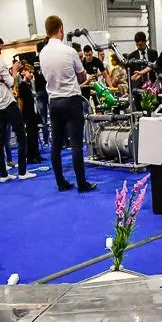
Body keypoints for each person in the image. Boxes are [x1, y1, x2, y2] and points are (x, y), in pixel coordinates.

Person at [40, 14, 96, 193]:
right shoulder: (69, 51)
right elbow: (81, 76)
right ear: (61, 29)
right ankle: (82, 183)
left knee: (56, 144)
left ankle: (61, 182)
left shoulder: (43, 53)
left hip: (54, 102)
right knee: (76, 143)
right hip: (71, 100)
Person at [0, 34, 35, 182]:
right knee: (21, 136)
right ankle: (22, 172)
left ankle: (3, 175)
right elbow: (11, 82)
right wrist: (15, 70)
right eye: (0, 48)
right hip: (8, 104)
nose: (0, 52)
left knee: (0, 141)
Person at [17, 63, 44, 163]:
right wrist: (21, 115)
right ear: (24, 72)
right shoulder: (22, 85)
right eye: (30, 72)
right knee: (30, 136)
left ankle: (36, 154)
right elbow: (21, 101)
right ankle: (31, 157)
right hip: (27, 114)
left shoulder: (29, 84)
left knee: (35, 135)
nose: (31, 74)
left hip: (33, 113)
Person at [33, 39, 51, 144]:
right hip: (41, 91)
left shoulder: (47, 59)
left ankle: (52, 140)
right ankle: (46, 140)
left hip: (47, 90)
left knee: (52, 116)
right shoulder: (36, 60)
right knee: (44, 117)